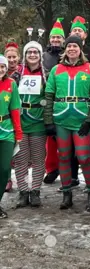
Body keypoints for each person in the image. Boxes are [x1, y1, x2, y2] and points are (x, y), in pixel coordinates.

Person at [43, 35, 90, 210]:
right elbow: (49, 96)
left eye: (75, 46)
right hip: (61, 119)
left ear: (80, 49)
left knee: (83, 157)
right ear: (65, 49)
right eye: (69, 46)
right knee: (64, 156)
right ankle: (67, 193)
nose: (72, 49)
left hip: (81, 120)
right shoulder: (56, 70)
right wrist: (48, 121)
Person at [14, 41, 47, 208]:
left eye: (36, 52)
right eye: (29, 52)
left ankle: (35, 191)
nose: (33, 55)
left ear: (40, 55)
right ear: (25, 55)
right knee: (20, 159)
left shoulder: (45, 75)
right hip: (20, 123)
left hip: (38, 123)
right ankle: (23, 191)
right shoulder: (17, 74)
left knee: (38, 159)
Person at [43, 18, 65, 184]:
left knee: (64, 137)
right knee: (50, 138)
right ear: (49, 39)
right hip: (47, 98)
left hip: (64, 100)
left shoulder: (69, 54)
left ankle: (67, 169)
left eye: (59, 37)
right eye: (53, 37)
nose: (56, 40)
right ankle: (51, 167)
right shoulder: (44, 56)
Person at [0, 54, 22, 218]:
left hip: (6, 130)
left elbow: (14, 108)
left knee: (4, 168)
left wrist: (18, 132)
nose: (0, 69)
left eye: (2, 66)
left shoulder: (11, 84)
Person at [3, 39, 22, 192]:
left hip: (10, 124)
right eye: (8, 57)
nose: (11, 60)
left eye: (14, 57)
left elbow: (15, 108)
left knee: (7, 160)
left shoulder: (17, 77)